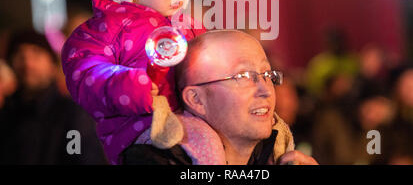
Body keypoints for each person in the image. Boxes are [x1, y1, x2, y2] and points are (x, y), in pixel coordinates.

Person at [61, 0, 205, 165]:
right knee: (205, 148)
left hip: (194, 117)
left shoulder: (188, 26)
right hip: (138, 130)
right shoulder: (108, 28)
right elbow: (84, 72)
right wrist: (126, 85)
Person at [121, 30, 319, 165]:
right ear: (197, 100)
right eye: (243, 76)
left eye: (267, 74)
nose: (265, 90)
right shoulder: (152, 160)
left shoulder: (279, 154)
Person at [0, 30, 106, 164]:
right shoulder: (7, 114)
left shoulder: (72, 114)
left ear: (52, 65)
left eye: (36, 55)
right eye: (20, 55)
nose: (28, 64)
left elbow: (82, 157)